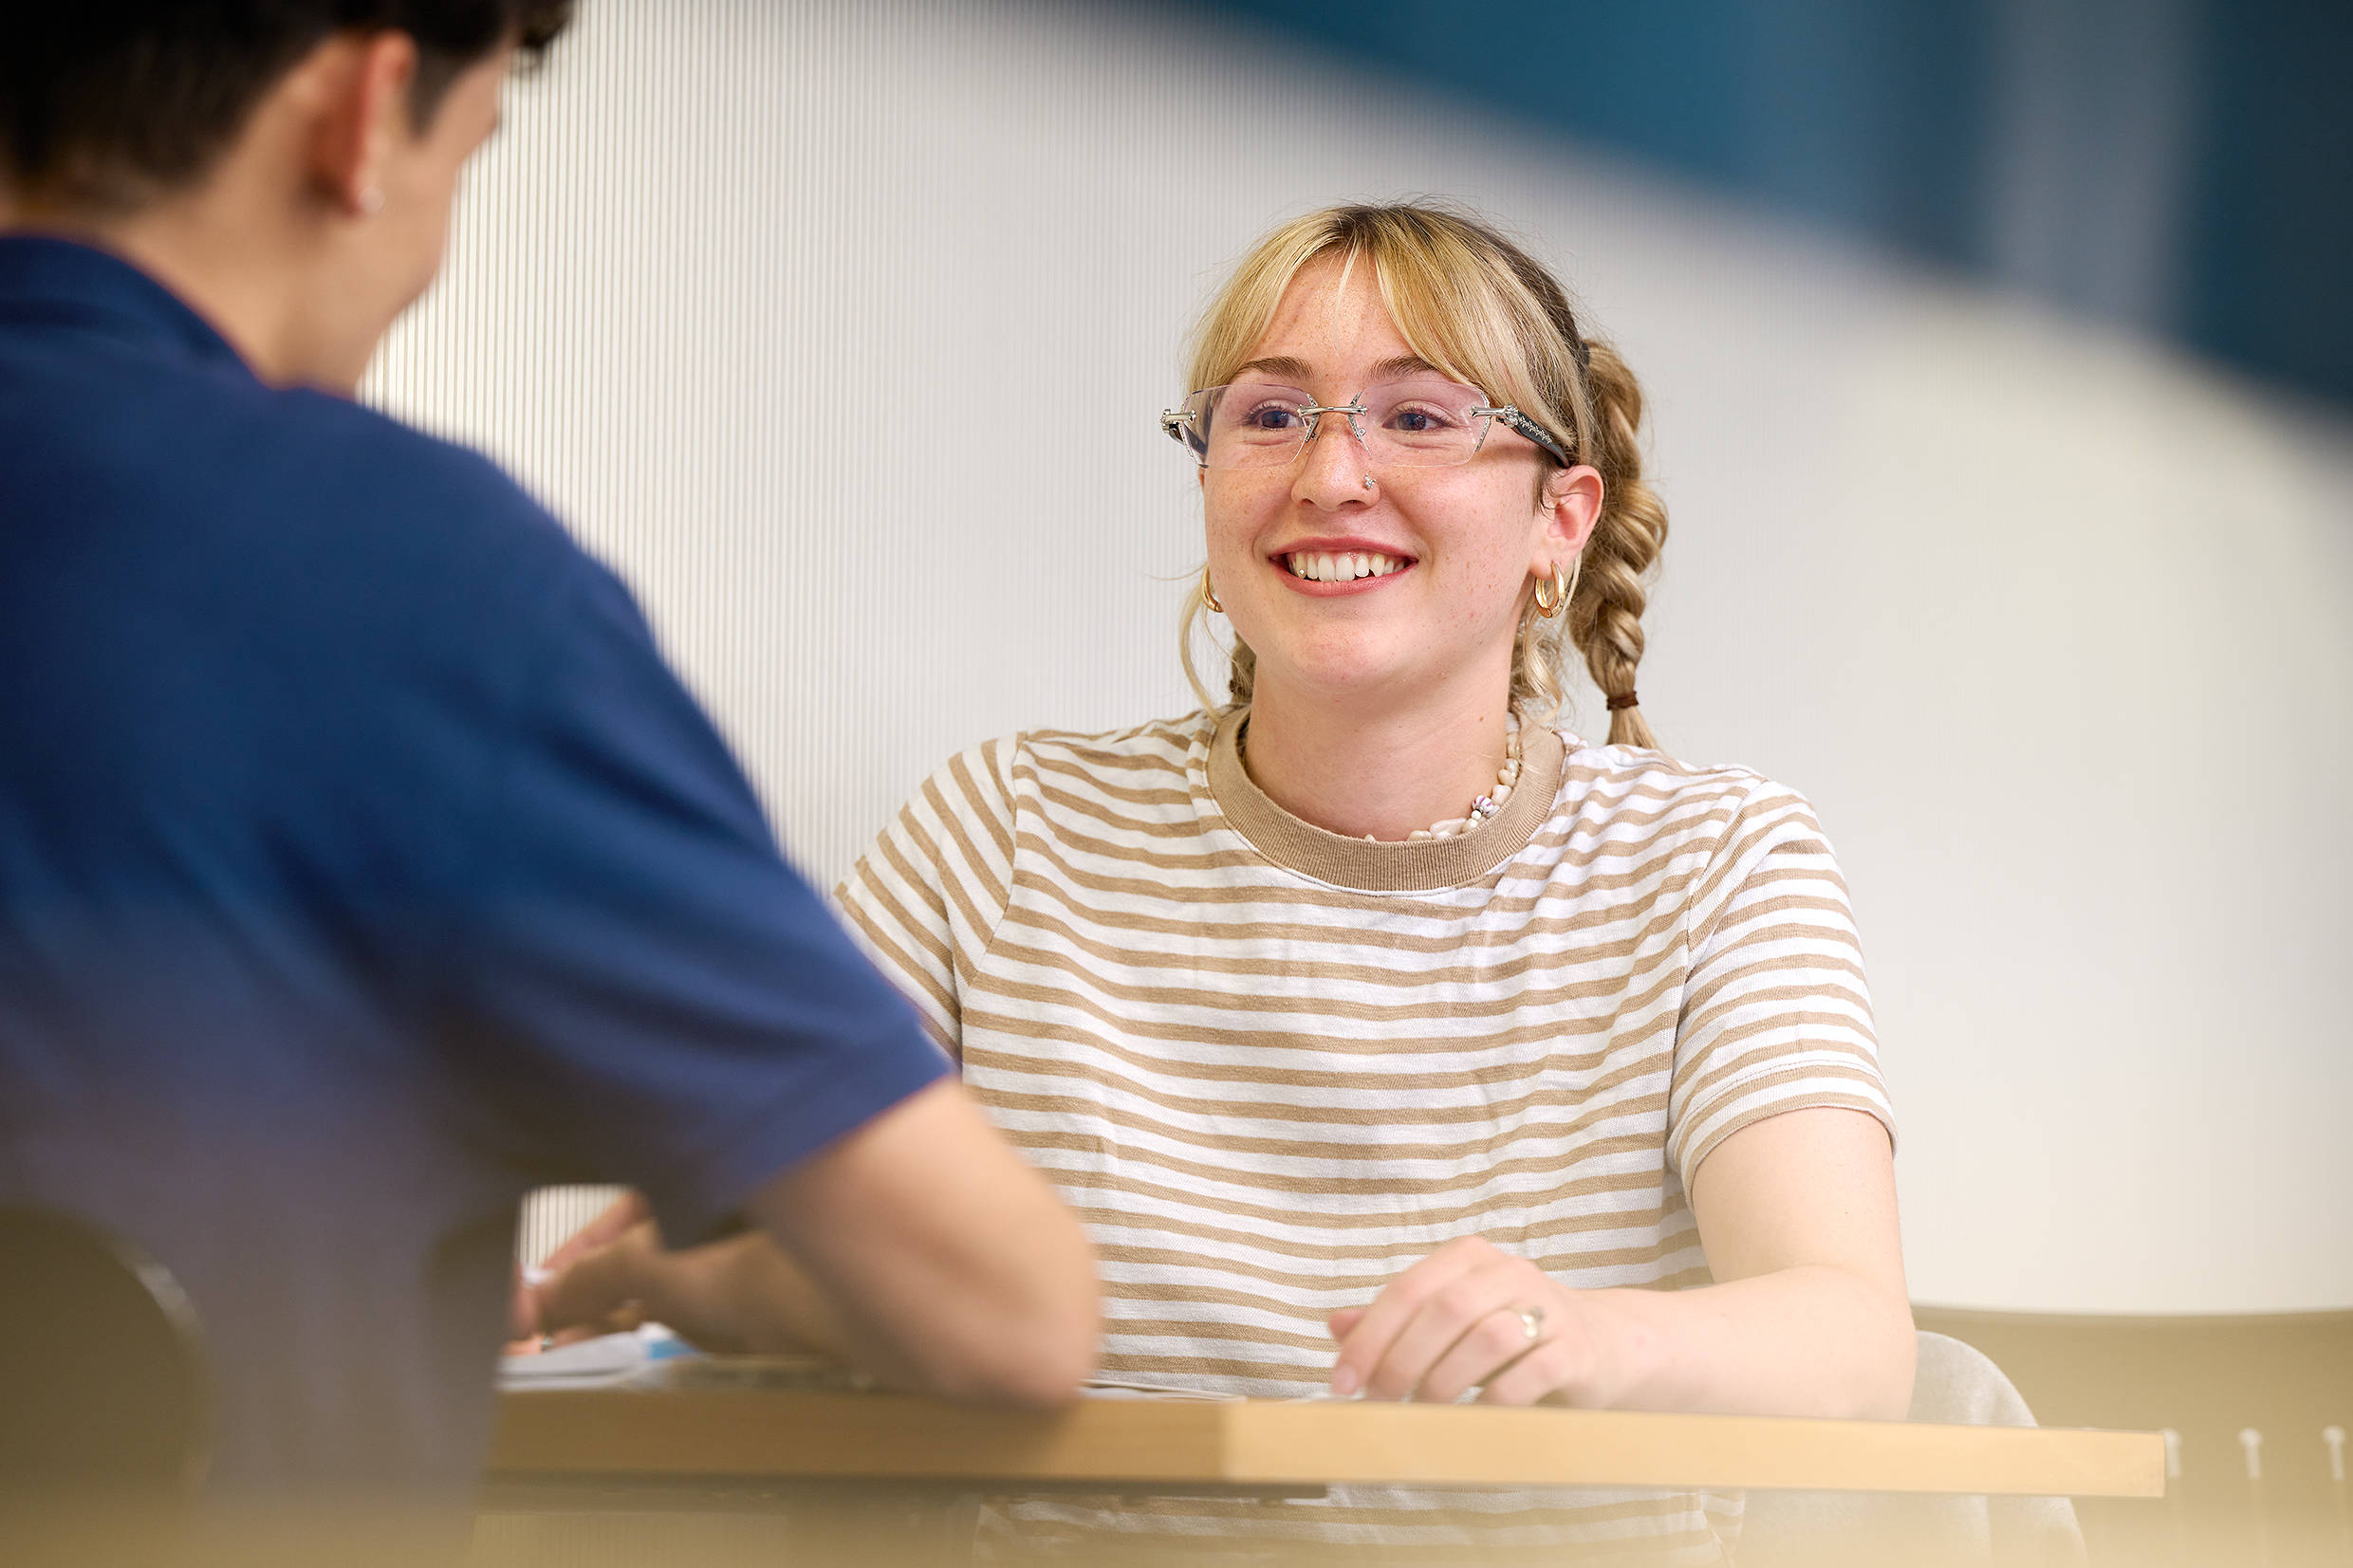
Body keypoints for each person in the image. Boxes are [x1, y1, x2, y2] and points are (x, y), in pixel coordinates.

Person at [546, 202, 1910, 1562]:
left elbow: (1852, 1339)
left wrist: (1587, 1329)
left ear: (1560, 517)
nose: (1330, 477)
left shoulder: (1717, 858)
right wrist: (708, 1263)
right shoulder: (1008, 828)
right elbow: (779, 1235)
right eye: (1269, 415)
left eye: (1419, 417)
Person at [0, 3, 1096, 1494]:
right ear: (366, 108)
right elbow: (1012, 1309)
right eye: (473, 151)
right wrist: (678, 1272)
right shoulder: (413, 583)